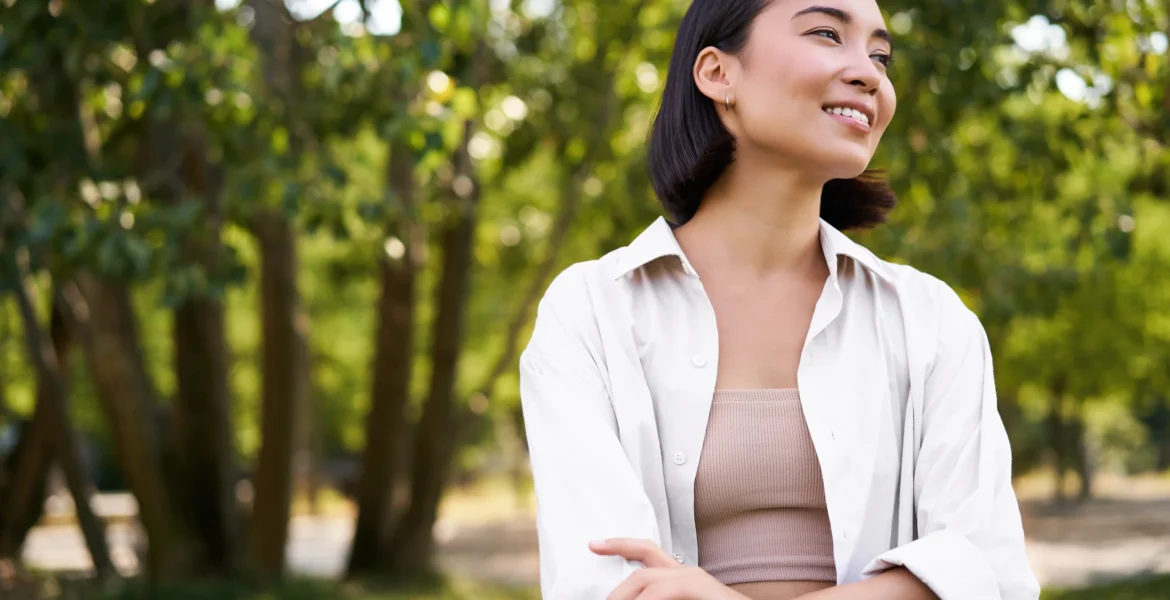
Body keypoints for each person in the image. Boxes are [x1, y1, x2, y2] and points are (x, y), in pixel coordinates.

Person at [518, 0, 1040, 598]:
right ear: (719, 74)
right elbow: (606, 584)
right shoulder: (592, 312)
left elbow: (989, 575)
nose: (870, 73)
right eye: (826, 33)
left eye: (880, 55)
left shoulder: (931, 320)